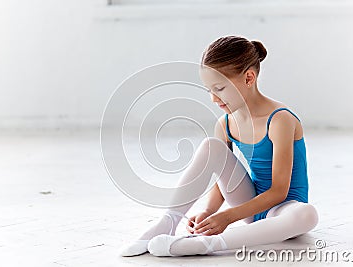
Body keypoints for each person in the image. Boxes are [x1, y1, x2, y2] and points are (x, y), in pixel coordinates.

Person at [119, 35, 318, 257]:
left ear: (249, 78)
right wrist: (208, 211)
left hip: (283, 209)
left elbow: (279, 191)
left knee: (307, 215)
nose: (214, 98)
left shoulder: (280, 120)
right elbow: (221, 180)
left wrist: (228, 217)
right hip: (250, 203)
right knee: (212, 146)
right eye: (209, 90)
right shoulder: (225, 123)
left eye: (219, 88)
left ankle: (204, 245)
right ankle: (168, 222)